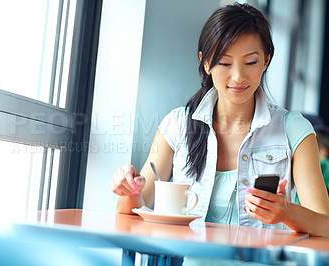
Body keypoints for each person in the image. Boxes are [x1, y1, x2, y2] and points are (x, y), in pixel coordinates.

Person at [110, 3, 329, 237]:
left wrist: (287, 213)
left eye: (251, 62)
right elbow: (131, 212)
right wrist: (128, 190)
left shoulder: (294, 130)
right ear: (205, 63)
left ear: (266, 60)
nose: (238, 77)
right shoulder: (177, 126)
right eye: (224, 63)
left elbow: (325, 225)